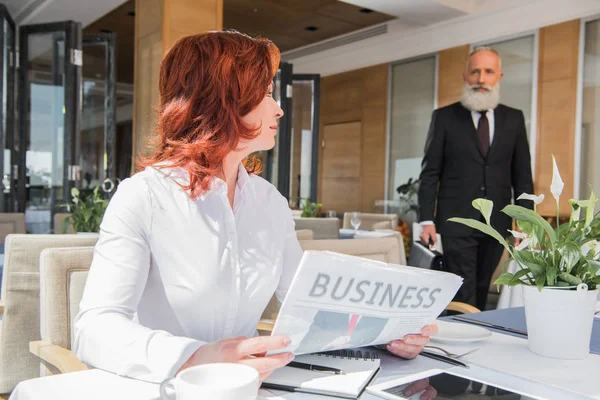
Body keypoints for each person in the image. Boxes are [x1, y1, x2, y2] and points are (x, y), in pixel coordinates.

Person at [73, 30, 435, 384]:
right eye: (264, 94)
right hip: (163, 389)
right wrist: (195, 357)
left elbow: (307, 306)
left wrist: (385, 333)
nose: (278, 110)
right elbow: (94, 328)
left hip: (251, 388)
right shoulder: (144, 197)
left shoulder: (269, 203)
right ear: (222, 100)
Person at [418, 46, 533, 311]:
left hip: (498, 222)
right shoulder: (444, 117)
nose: (481, 79)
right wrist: (426, 219)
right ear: (465, 76)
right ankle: (459, 339)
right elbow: (429, 173)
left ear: (499, 76)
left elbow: (522, 176)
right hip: (456, 220)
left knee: (482, 284)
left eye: (488, 72)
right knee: (463, 285)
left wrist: (526, 221)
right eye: (476, 72)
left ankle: (477, 336)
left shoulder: (513, 119)